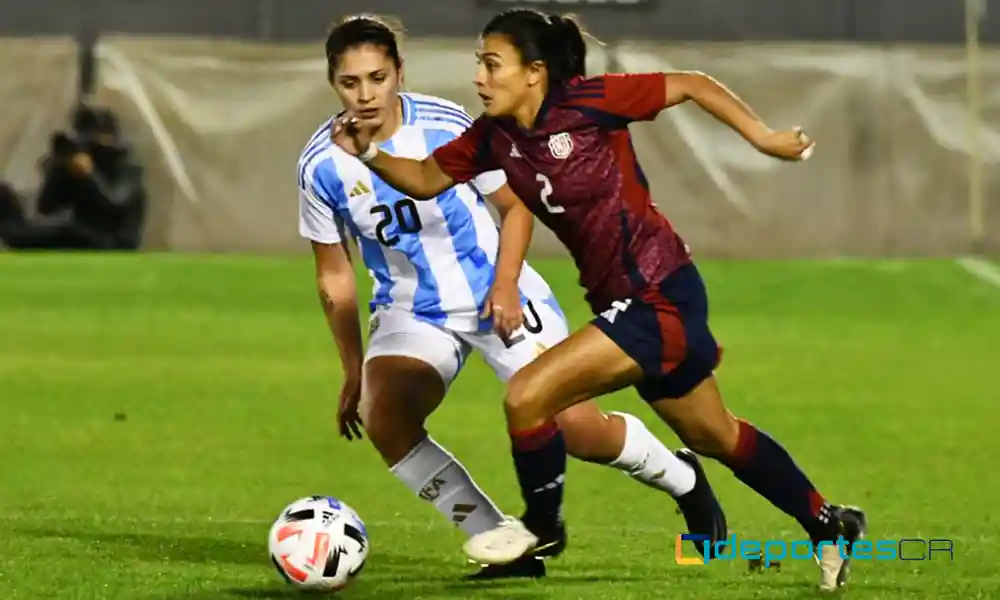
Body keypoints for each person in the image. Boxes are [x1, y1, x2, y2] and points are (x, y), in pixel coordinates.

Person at [330, 8, 867, 592]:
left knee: (527, 397)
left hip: (660, 291)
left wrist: (762, 136)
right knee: (716, 436)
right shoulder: (496, 136)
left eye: (492, 64)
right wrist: (368, 153)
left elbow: (689, 84)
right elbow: (428, 178)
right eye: (478, 64)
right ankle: (827, 521)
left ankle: (541, 528)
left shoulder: (588, 103)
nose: (480, 78)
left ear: (534, 72)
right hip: (630, 301)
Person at [303, 14, 727, 581]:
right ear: (333, 83)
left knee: (578, 429)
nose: (365, 94)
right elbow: (335, 276)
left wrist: (504, 285)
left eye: (377, 78)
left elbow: (515, 205)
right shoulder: (319, 163)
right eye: (350, 83)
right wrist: (353, 370)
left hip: (495, 291)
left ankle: (684, 478)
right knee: (386, 418)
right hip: (414, 310)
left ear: (398, 73)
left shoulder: (446, 125)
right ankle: (502, 542)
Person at [0, 103, 146, 251]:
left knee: (64, 230)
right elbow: (46, 208)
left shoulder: (126, 166)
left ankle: (13, 233)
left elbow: (114, 204)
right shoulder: (81, 163)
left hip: (115, 240)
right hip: (84, 232)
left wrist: (89, 175)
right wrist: (58, 172)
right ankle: (10, 227)